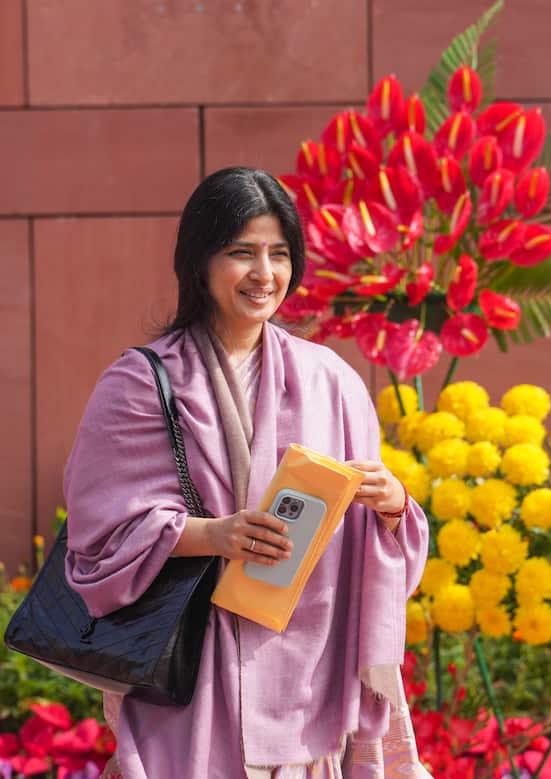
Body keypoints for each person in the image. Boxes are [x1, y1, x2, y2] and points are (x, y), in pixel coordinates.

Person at [64, 167, 431, 779]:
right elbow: (98, 534)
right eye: (242, 253)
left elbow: (372, 544)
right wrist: (213, 535)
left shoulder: (331, 381)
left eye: (279, 255)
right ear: (200, 262)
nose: (265, 275)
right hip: (193, 667)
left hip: (309, 669)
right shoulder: (140, 383)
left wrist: (393, 505)